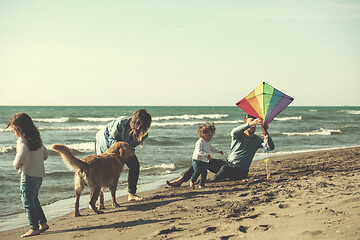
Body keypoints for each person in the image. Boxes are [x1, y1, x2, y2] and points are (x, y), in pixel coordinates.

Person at [167, 115, 274, 186]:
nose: (253, 126)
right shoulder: (238, 135)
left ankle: (208, 180)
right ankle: (181, 180)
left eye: (255, 125)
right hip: (228, 162)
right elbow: (234, 131)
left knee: (224, 170)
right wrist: (249, 123)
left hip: (241, 170)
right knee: (201, 161)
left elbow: (270, 147)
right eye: (251, 124)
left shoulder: (257, 140)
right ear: (245, 124)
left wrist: (266, 132)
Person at [7, 113, 49, 238]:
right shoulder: (37, 140)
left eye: (15, 129)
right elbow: (45, 154)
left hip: (28, 175)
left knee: (27, 201)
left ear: (21, 129)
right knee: (34, 199)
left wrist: (15, 163)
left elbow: (22, 155)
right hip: (39, 176)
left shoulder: (22, 141)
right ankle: (43, 223)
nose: (14, 132)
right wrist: (36, 159)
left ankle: (34, 228)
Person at [95, 109, 151, 201]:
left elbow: (131, 148)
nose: (138, 128)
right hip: (104, 142)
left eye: (142, 126)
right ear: (134, 120)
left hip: (124, 149)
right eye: (137, 124)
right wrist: (120, 154)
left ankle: (131, 194)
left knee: (134, 164)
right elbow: (112, 140)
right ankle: (96, 200)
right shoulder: (121, 123)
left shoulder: (143, 134)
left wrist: (125, 156)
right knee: (100, 170)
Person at [190, 123, 224, 189]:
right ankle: (192, 181)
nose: (210, 137)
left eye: (211, 135)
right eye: (209, 135)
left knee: (204, 173)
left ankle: (201, 185)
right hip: (197, 160)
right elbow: (198, 151)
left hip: (204, 160)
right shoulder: (200, 142)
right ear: (203, 134)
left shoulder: (207, 142)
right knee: (197, 171)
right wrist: (206, 155)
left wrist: (219, 151)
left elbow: (212, 148)